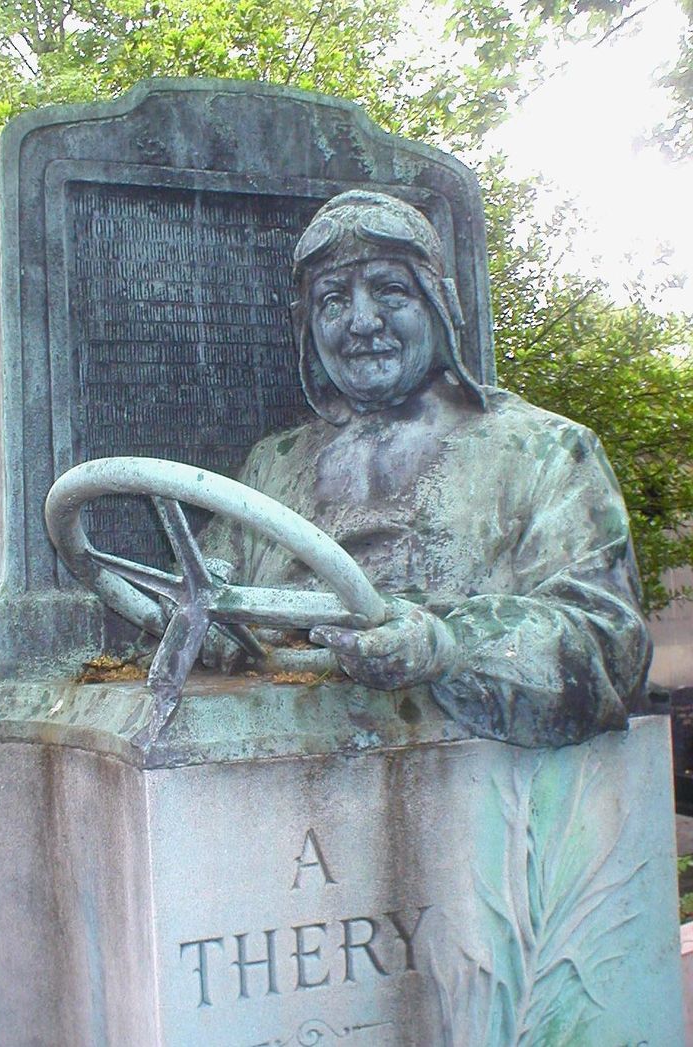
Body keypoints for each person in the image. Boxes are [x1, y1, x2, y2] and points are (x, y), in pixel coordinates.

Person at [200, 191, 651, 747]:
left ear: (439, 305)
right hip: (264, 753)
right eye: (333, 300)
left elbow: (611, 647)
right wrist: (213, 621)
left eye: (391, 290)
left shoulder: (550, 451)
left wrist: (448, 647)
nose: (362, 322)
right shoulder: (272, 465)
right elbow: (195, 586)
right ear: (309, 329)